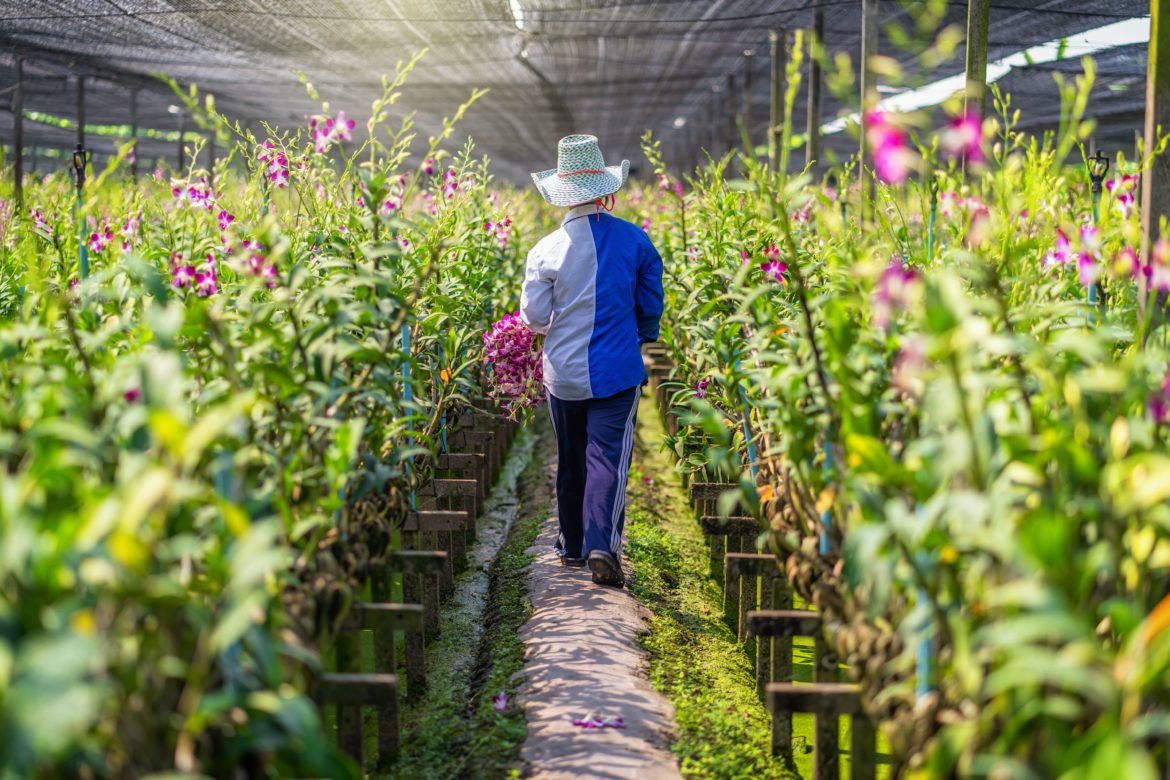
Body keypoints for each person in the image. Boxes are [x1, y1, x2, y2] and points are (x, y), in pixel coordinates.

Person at [520, 134, 665, 588]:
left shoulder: (544, 250)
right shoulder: (636, 241)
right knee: (606, 459)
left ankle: (571, 545)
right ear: (608, 193)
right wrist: (640, 334)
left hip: (562, 374)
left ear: (560, 197)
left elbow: (535, 317)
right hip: (617, 371)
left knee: (570, 458)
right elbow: (650, 304)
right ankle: (603, 545)